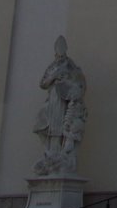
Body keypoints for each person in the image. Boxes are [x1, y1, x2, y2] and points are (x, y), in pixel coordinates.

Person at [33, 36, 88, 175]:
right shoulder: (52, 66)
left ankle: (58, 156)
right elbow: (42, 83)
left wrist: (66, 82)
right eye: (58, 48)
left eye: (62, 48)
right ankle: (49, 153)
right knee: (42, 124)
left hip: (64, 100)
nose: (60, 50)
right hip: (52, 99)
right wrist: (53, 76)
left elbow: (78, 82)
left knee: (61, 127)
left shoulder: (69, 64)